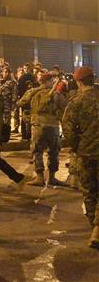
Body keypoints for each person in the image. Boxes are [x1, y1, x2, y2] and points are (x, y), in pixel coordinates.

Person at [61, 66, 99, 249]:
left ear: (78, 82)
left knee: (89, 190)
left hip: (86, 153)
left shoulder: (76, 102)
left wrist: (77, 146)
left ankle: (94, 227)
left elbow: (68, 129)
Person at [19, 72, 67, 186]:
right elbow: (65, 108)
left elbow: (21, 102)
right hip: (53, 126)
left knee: (37, 151)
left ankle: (40, 177)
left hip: (38, 125)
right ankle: (52, 177)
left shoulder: (32, 92)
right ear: (47, 82)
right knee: (54, 151)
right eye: (52, 81)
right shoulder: (56, 94)